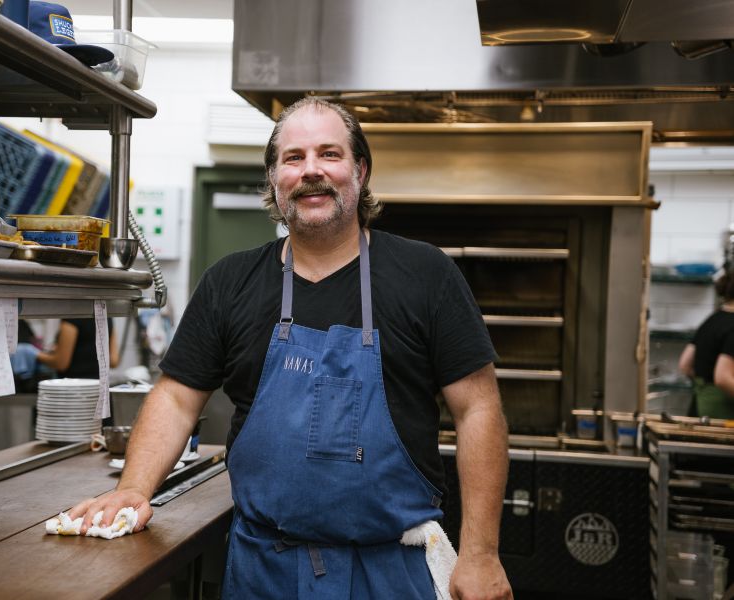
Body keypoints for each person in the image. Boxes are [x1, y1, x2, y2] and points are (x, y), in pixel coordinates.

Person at [70, 98, 512, 599]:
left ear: (360, 171)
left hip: (390, 571)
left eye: (329, 154)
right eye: (294, 158)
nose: (312, 172)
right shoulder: (230, 282)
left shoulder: (426, 276)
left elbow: (479, 409)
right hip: (264, 573)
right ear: (274, 178)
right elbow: (176, 396)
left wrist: (480, 553)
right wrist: (134, 488)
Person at [678, 271, 734, 419]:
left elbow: (685, 364)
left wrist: (705, 388)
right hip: (723, 411)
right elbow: (722, 377)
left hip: (700, 406)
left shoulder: (713, 319)